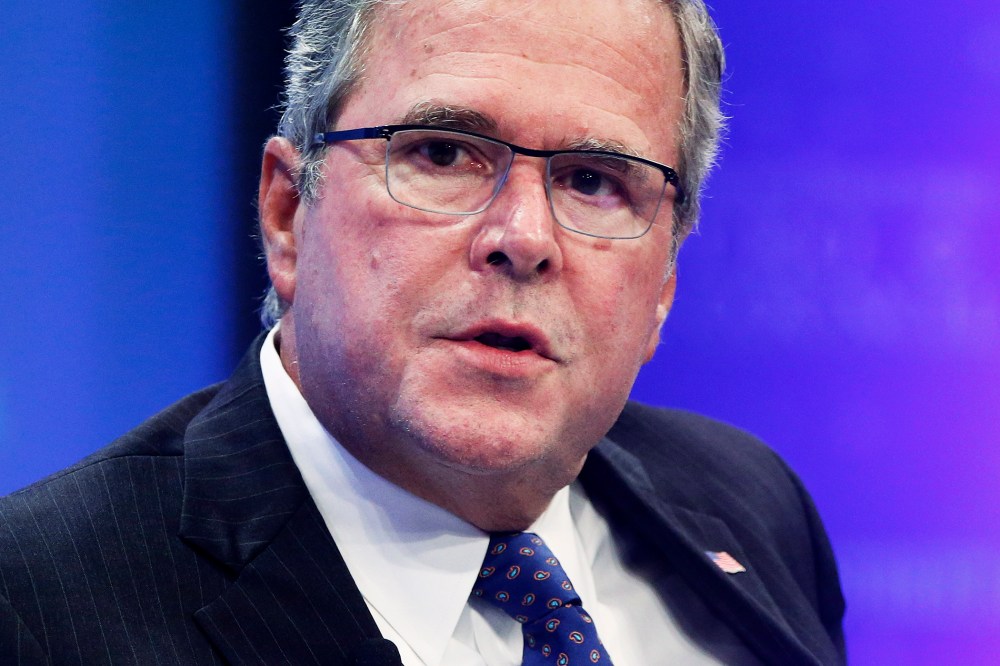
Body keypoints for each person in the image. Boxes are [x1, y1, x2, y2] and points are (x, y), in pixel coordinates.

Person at [0, 0, 846, 664]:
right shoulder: (38, 603)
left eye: (593, 180)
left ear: (663, 282)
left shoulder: (753, 506)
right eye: (443, 154)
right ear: (288, 216)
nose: (523, 238)